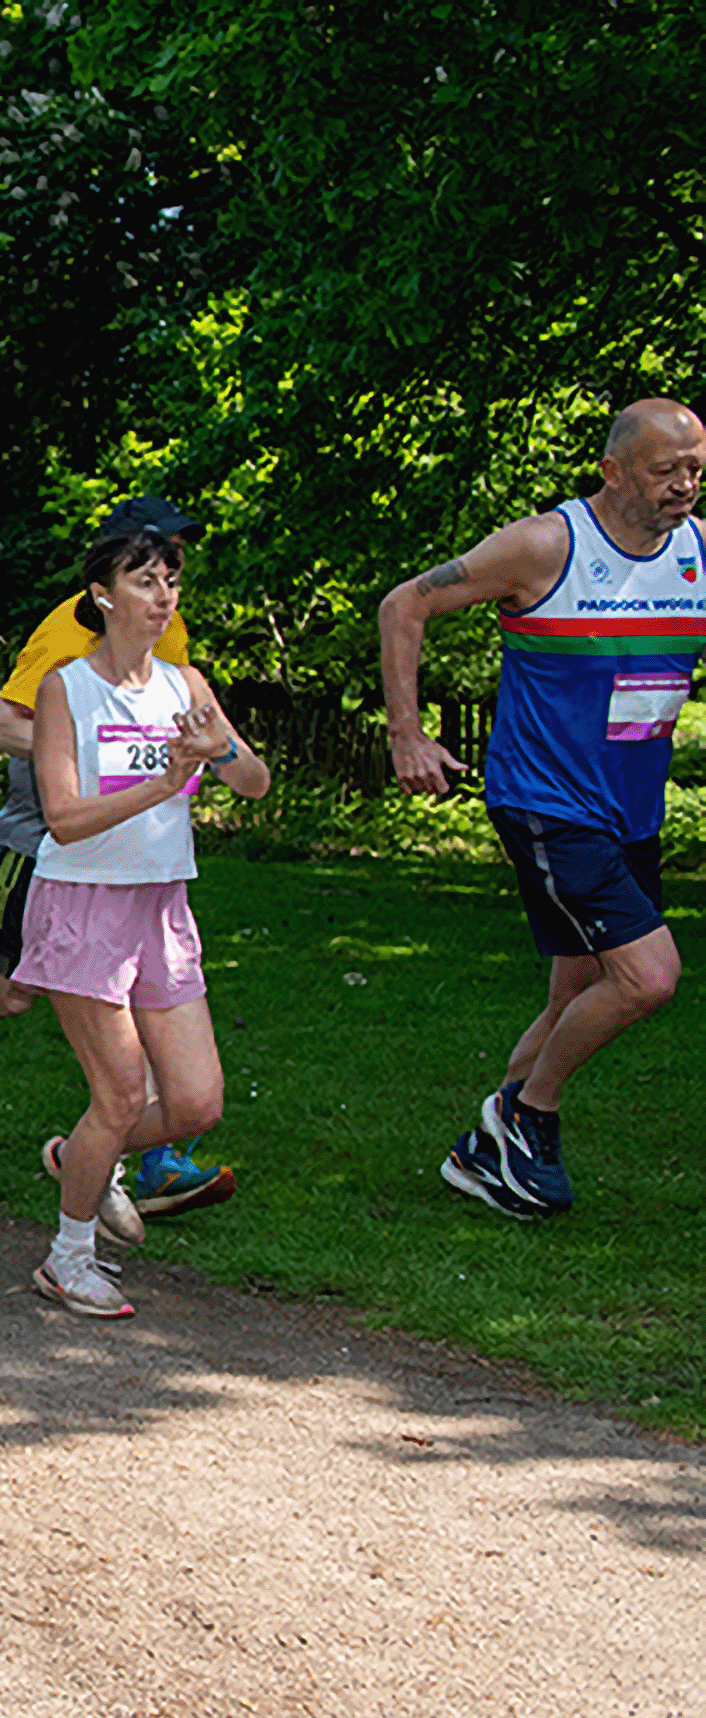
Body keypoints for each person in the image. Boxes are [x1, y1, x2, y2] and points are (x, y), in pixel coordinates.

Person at [379, 396, 700, 1218]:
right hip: (546, 801)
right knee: (649, 975)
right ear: (612, 469)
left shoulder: (697, 551)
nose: (684, 486)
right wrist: (407, 737)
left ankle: (482, 1150)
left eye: (696, 468)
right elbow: (402, 605)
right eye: (666, 470)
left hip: (631, 807)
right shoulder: (544, 546)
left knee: (577, 990)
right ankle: (528, 1113)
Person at [0, 496, 234, 1219]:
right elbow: (4, 728)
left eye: (173, 558)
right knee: (15, 989)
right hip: (42, 841)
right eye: (151, 556)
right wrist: (83, 755)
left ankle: (150, 1155)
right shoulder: (63, 631)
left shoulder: (171, 633)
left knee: (148, 1000)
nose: (166, 573)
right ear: (108, 572)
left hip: (137, 861)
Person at [17, 524, 268, 1316]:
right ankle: (68, 1256)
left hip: (162, 903)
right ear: (101, 594)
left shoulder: (185, 683)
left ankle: (80, 1155)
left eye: (170, 580)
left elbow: (255, 782)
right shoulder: (65, 688)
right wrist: (164, 783)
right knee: (120, 1096)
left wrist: (215, 751)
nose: (162, 596)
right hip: (82, 904)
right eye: (144, 580)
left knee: (196, 1105)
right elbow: (60, 817)